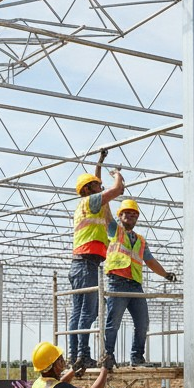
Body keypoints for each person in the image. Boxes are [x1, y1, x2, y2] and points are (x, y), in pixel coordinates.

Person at [102, 199, 177, 366]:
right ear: (119, 216)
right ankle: (108, 355)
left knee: (142, 323)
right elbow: (105, 214)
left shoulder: (141, 240)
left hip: (135, 285)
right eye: (127, 213)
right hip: (117, 281)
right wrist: (104, 194)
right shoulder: (115, 231)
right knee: (113, 322)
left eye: (134, 214)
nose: (131, 216)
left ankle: (137, 357)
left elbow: (150, 261)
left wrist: (165, 274)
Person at [69, 150, 123, 367]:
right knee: (88, 311)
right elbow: (117, 189)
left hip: (80, 264)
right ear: (88, 189)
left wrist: (99, 163)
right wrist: (117, 173)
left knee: (77, 313)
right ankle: (83, 354)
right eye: (96, 185)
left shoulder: (90, 206)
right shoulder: (91, 201)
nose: (100, 186)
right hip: (86, 264)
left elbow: (99, 183)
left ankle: (74, 354)